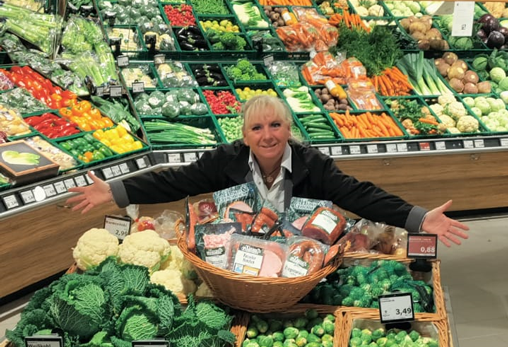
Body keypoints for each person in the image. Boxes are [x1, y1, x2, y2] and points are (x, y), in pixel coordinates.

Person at [67, 95, 469, 247]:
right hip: (236, 255)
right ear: (244, 135)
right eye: (257, 128)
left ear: (288, 129)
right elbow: (175, 179)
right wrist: (116, 193)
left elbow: (358, 193)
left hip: (298, 257)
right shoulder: (225, 161)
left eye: (275, 125)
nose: (267, 135)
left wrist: (417, 217)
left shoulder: (313, 165)